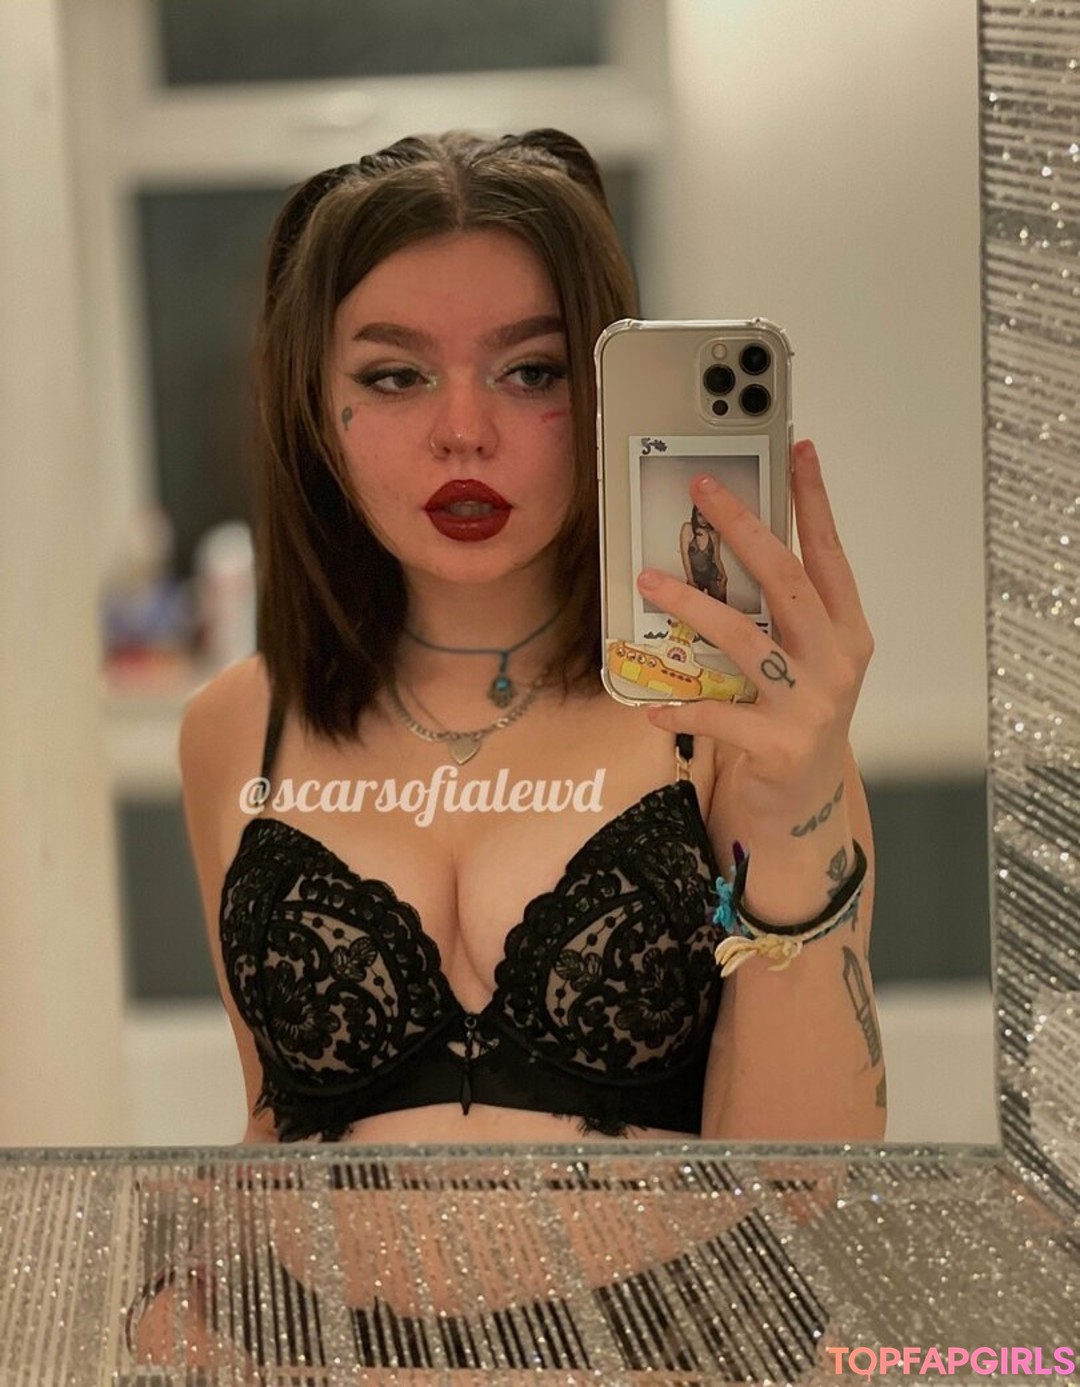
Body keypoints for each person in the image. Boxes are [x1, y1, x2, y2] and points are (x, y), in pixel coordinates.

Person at [179, 128, 883, 1149]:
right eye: (394, 376)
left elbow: (803, 1188)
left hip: (671, 1267)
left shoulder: (737, 718)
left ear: (604, 396)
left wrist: (796, 810)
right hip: (321, 1266)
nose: (464, 429)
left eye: (532, 370)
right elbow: (271, 1129)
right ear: (315, 409)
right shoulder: (236, 727)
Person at [680, 503, 728, 603]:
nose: (704, 519)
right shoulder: (687, 528)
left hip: (712, 576)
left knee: (719, 607)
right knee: (691, 607)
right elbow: (685, 557)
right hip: (695, 576)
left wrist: (724, 576)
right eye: (700, 514)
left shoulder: (714, 534)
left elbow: (717, 558)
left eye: (707, 515)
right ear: (695, 514)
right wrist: (690, 580)